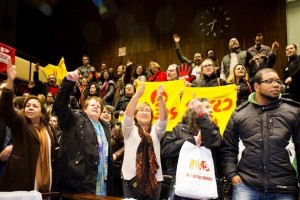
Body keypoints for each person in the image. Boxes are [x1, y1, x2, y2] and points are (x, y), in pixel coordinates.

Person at [222, 68, 300, 200]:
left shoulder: (294, 111)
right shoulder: (239, 113)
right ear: (256, 86)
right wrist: (232, 175)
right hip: (246, 186)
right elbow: (228, 148)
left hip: (284, 188)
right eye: (269, 81)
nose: (276, 85)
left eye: (278, 81)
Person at [0, 60, 58, 192]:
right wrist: (10, 81)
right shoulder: (20, 122)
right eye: (27, 106)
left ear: (42, 111)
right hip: (22, 179)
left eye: (35, 106)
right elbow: (6, 110)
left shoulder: (49, 128)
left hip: (46, 180)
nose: (30, 108)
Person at [55, 70, 114, 196]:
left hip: (101, 181)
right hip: (78, 181)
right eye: (92, 105)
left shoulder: (105, 127)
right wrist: (69, 83)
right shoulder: (75, 119)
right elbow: (60, 105)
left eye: (99, 106)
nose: (96, 107)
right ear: (84, 108)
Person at [161, 98, 223, 199]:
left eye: (210, 107)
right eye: (206, 107)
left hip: (207, 187)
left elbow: (213, 143)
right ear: (194, 111)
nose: (211, 110)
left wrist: (203, 117)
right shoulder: (179, 128)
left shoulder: (214, 130)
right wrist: (189, 141)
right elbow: (166, 150)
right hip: (183, 187)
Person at [122, 83, 168, 200]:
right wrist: (136, 96)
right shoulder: (130, 129)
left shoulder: (156, 131)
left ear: (152, 116)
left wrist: (160, 99)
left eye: (147, 110)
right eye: (141, 110)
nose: (144, 112)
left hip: (154, 179)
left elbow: (163, 120)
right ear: (136, 115)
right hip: (131, 178)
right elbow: (127, 117)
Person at [100, 105, 124, 197]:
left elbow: (124, 145)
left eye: (108, 113)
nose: (106, 114)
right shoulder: (94, 127)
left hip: (113, 166)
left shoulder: (117, 129)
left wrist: (115, 155)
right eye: (104, 112)